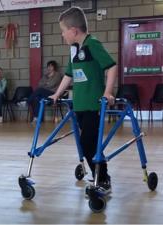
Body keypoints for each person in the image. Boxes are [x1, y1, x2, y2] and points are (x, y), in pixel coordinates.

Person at [49, 7, 117, 194]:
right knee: (86, 143)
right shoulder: (74, 50)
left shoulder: (92, 44)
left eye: (63, 31)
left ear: (73, 31)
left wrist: (107, 92)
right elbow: (69, 75)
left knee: (89, 143)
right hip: (79, 105)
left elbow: (111, 67)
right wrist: (57, 94)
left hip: (93, 104)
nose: (62, 35)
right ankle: (98, 176)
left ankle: (103, 179)